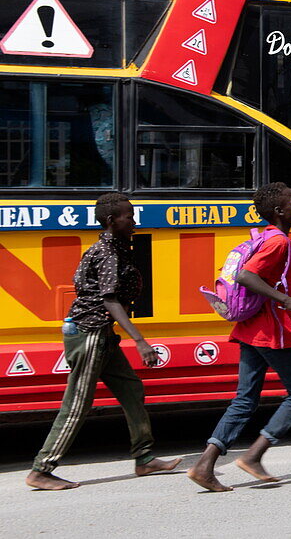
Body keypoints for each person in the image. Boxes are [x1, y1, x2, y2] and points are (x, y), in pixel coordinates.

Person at [26, 193, 181, 491]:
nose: (134, 221)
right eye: (128, 216)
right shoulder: (108, 252)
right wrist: (140, 340)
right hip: (89, 332)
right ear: (112, 220)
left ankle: (144, 458)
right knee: (77, 403)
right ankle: (41, 469)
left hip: (101, 332)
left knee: (132, 388)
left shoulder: (114, 247)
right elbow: (109, 299)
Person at [187, 182, 291, 492]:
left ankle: (204, 465)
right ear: (279, 211)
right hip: (271, 330)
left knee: (245, 399)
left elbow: (265, 274)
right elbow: (246, 276)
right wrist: (288, 300)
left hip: (251, 328)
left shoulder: (268, 236)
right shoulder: (280, 243)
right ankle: (254, 455)